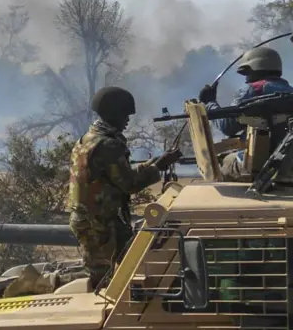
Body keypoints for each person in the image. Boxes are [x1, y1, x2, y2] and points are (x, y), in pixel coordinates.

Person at [67, 86, 182, 289]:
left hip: (96, 219)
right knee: (103, 278)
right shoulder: (108, 145)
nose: (128, 120)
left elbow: (118, 174)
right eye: (125, 115)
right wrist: (158, 167)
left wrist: (152, 164)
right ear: (114, 114)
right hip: (98, 224)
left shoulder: (89, 138)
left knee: (133, 258)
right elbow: (129, 183)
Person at [199, 47, 293, 181]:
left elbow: (227, 127)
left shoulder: (252, 90)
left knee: (223, 163)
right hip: (288, 165)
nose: (246, 79)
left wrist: (209, 103)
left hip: (258, 164)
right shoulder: (290, 92)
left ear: (255, 68)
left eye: (247, 73)